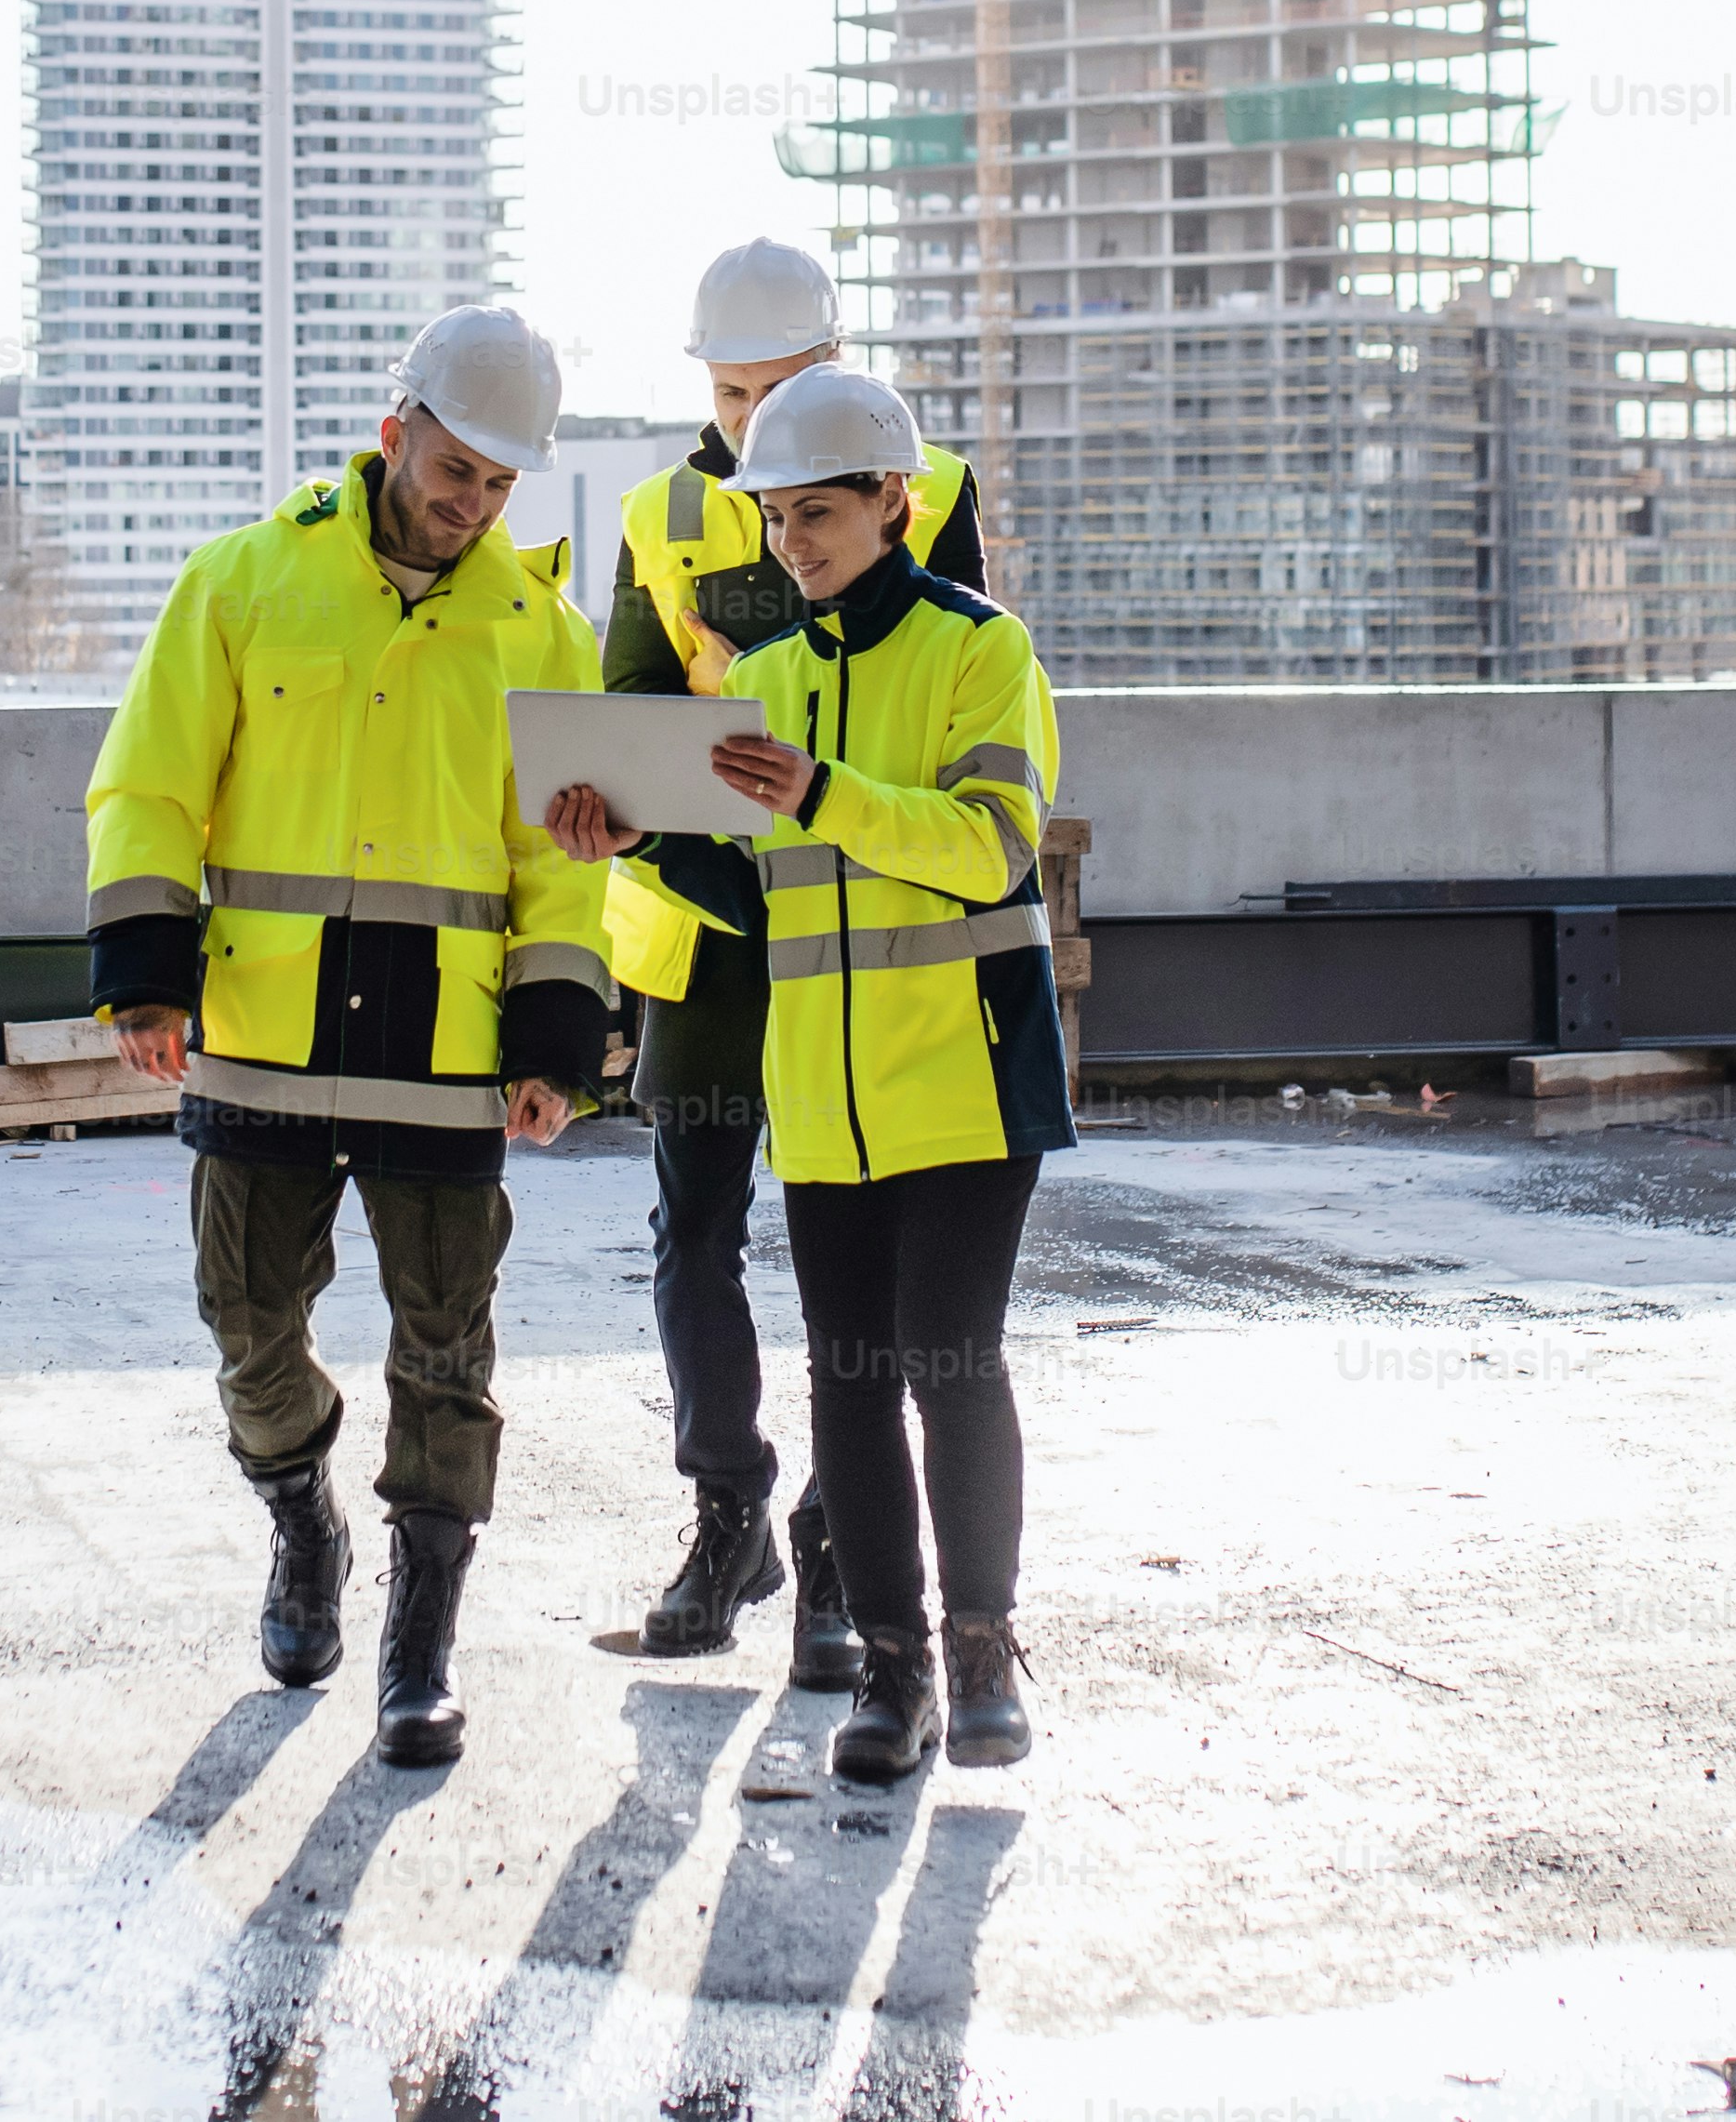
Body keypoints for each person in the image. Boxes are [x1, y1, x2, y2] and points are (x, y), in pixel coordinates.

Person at [86, 305, 614, 1769]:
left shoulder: (540, 629)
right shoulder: (243, 582)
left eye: (502, 487)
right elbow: (148, 784)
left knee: (445, 1351)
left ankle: (418, 1647)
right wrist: (145, 969)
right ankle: (301, 1523)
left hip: (446, 1057)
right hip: (260, 1032)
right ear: (394, 436)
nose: (472, 506)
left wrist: (555, 1035)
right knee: (248, 1328)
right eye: (454, 473)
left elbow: (561, 865)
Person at [552, 362, 1063, 1783]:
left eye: (818, 512)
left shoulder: (981, 650)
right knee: (847, 1378)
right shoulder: (764, 679)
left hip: (963, 1078)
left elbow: (990, 846)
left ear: (895, 499)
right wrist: (638, 840)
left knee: (949, 1368)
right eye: (775, 517)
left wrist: (826, 796)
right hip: (825, 1106)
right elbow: (752, 887)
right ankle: (888, 1680)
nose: (792, 541)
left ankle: (980, 1655)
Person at [593, 239, 987, 1689]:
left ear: (836, 364)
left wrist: (754, 630)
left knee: (857, 1243)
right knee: (693, 1226)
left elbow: (931, 666)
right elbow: (632, 711)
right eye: (731, 387)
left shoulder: (920, 487)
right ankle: (728, 1515)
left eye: (781, 387)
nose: (755, 417)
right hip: (710, 928)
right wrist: (656, 827)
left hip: (857, 919)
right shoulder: (656, 511)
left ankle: (838, 1544)